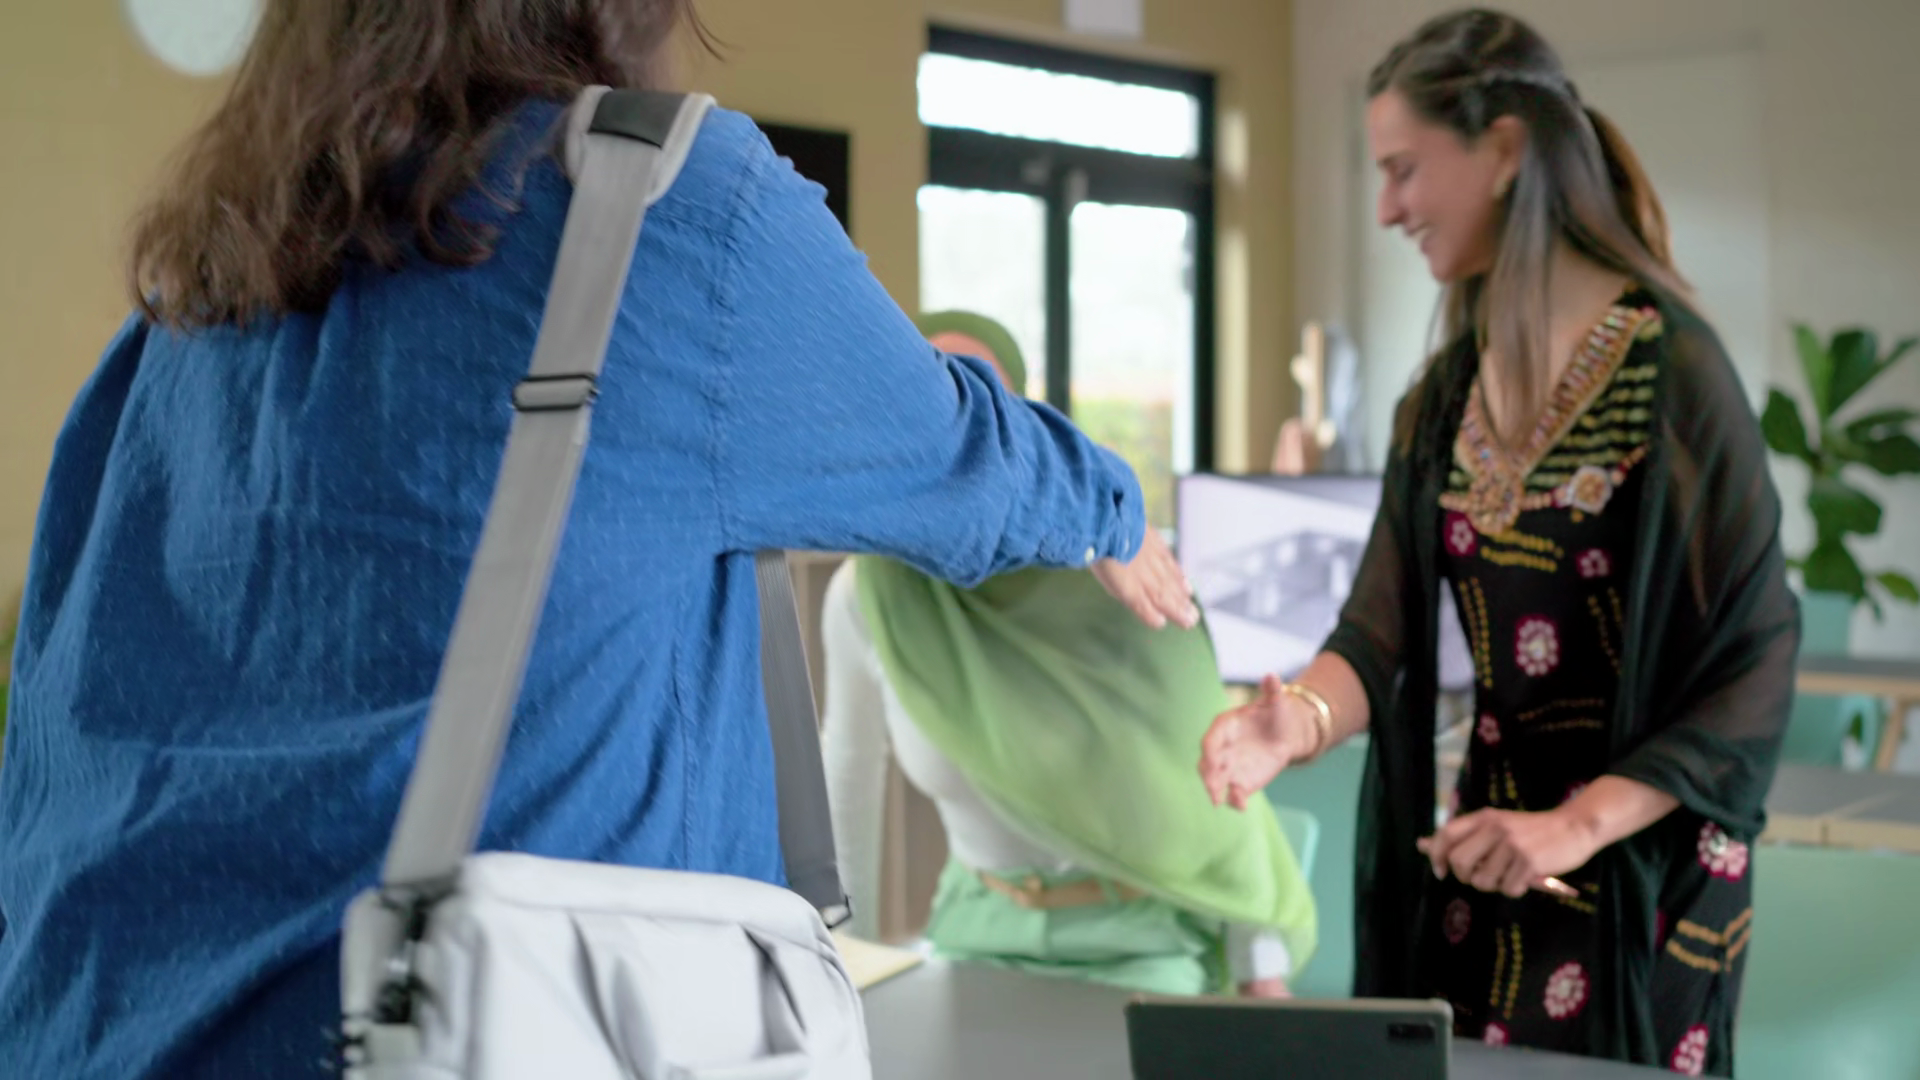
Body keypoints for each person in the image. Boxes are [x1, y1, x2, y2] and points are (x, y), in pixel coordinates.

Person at [0, 4, 1201, 1077]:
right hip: (499, 1032)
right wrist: (1109, 505)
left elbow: (53, 743)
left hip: (94, 1027)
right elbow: (959, 457)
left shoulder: (183, 305)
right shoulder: (672, 212)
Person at [1198, 9, 1797, 1076]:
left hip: (1645, 874)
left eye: (1404, 170)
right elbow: (1377, 628)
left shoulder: (1675, 376)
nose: (1387, 209)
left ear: (1507, 149)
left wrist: (1575, 826)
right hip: (1486, 858)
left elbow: (1752, 667)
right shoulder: (1443, 398)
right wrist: (1299, 724)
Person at [822, 310, 1316, 999]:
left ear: (1021, 427)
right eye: (928, 405)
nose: (954, 437)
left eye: (979, 405)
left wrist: (1261, 976)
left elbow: (1215, 790)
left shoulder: (1126, 573)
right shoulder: (872, 595)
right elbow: (846, 786)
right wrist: (839, 969)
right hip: (973, 936)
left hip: (1140, 946)